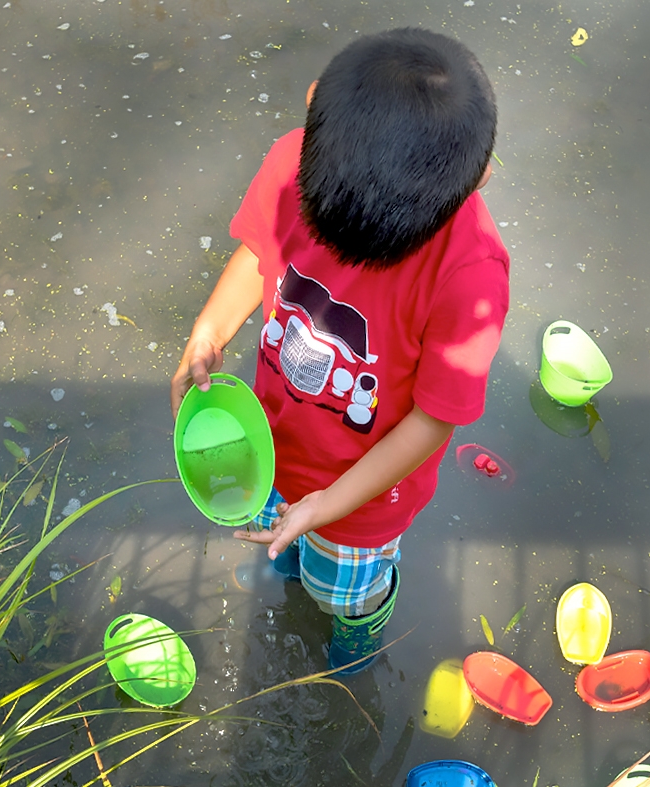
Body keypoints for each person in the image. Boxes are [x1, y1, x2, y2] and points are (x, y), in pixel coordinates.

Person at [170, 28, 509, 674]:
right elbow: (256, 253)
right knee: (288, 550)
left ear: (476, 182)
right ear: (313, 104)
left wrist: (330, 503)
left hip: (365, 499)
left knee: (346, 592)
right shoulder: (294, 162)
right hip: (270, 442)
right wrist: (209, 332)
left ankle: (356, 645)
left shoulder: (471, 274)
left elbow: (435, 418)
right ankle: (293, 568)